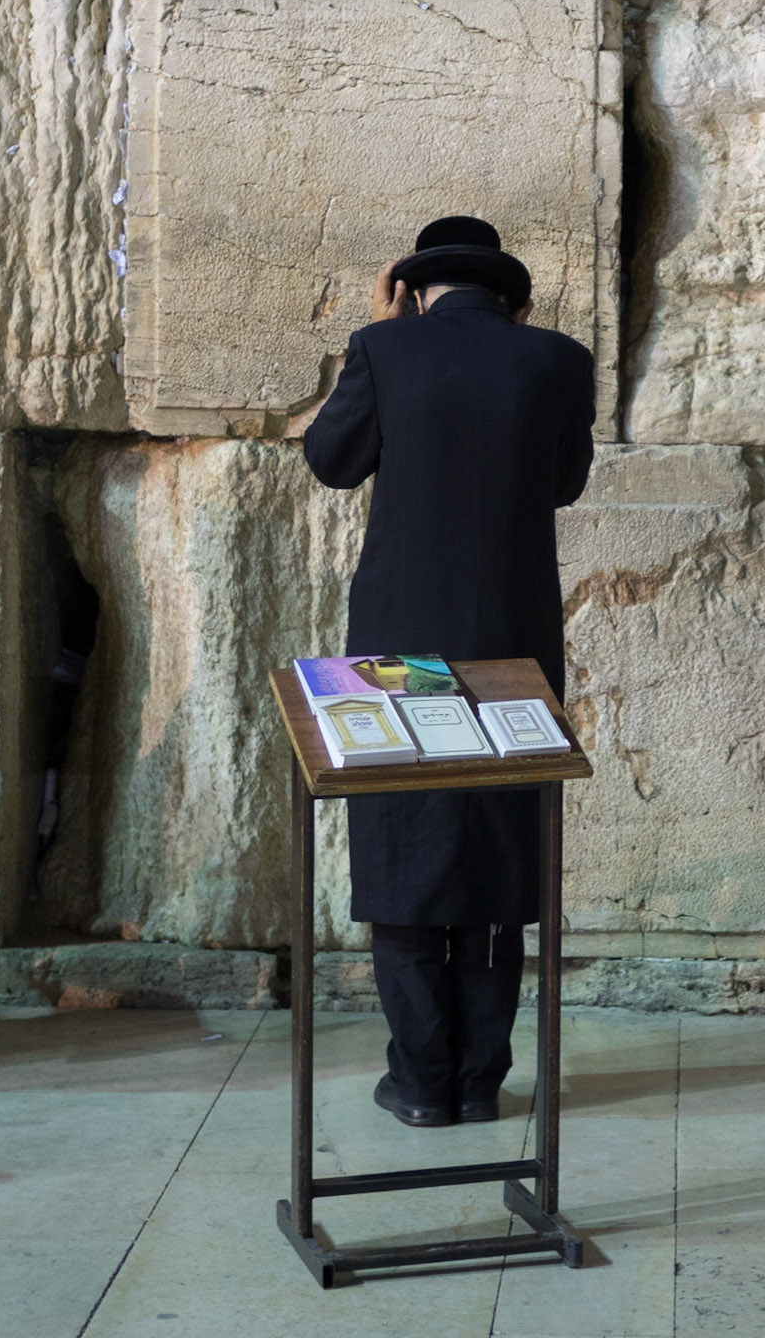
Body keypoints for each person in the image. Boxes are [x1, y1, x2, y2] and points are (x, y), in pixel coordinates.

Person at [303, 215, 596, 1126]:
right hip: (514, 653)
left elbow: (331, 460)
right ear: (515, 299)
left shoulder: (384, 348)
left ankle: (421, 1080)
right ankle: (479, 1082)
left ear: (415, 285)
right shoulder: (558, 361)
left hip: (399, 656)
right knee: (498, 856)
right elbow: (563, 483)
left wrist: (384, 329)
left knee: (406, 846)